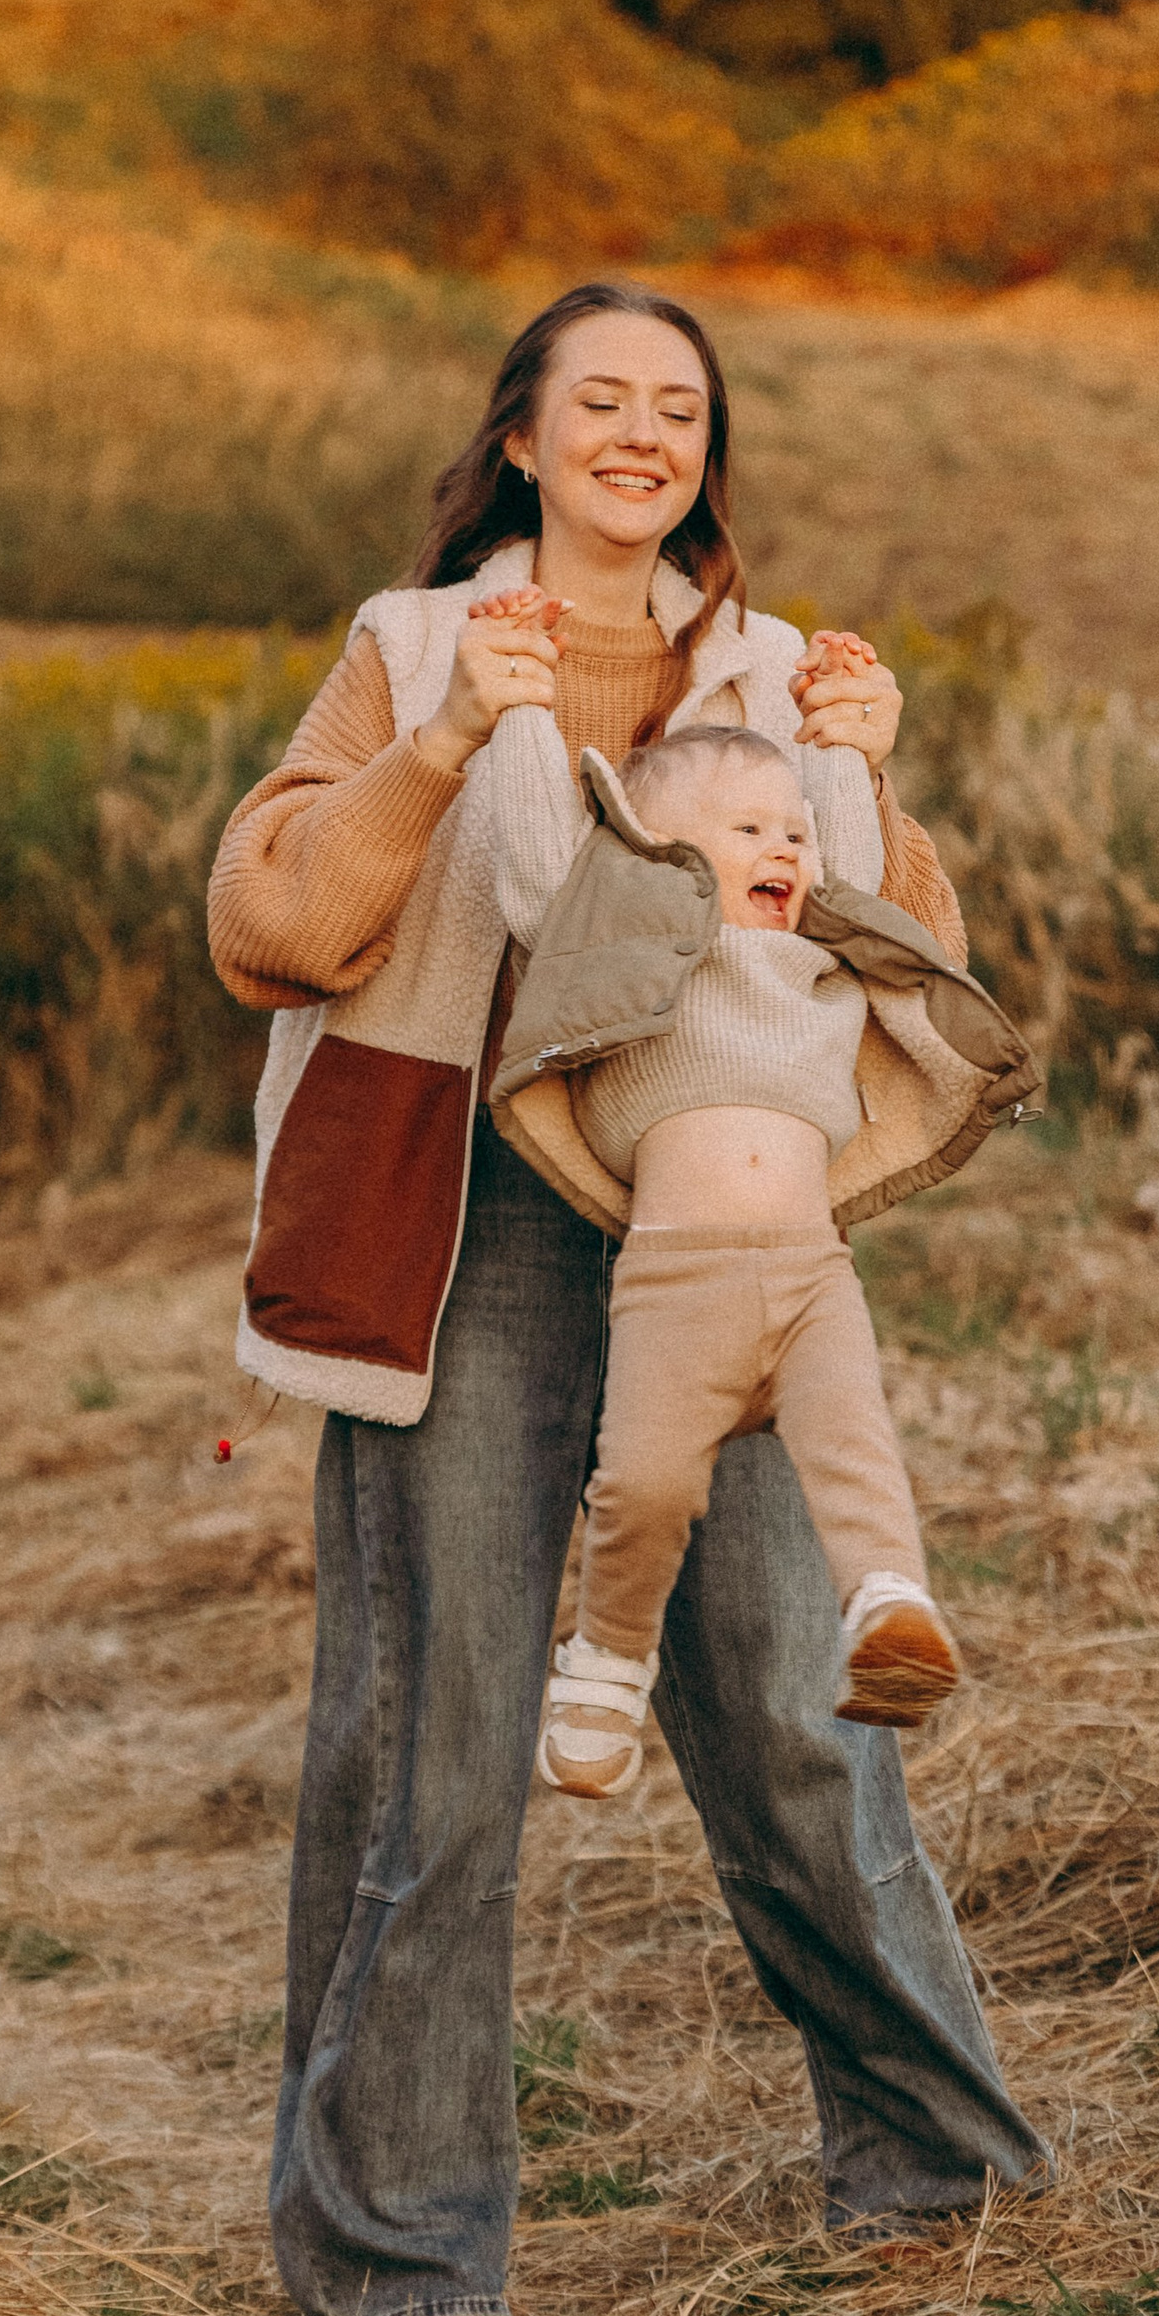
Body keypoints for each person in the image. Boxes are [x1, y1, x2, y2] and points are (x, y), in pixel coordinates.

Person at [207, 279, 1047, 2316]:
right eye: (602, 397)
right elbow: (274, 924)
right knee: (438, 1736)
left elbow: (904, 962)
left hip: (717, 1213)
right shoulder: (412, 647)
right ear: (520, 434)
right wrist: (443, 743)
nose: (642, 432)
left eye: (679, 405)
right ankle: (406, 2269)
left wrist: (870, 785)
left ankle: (941, 2188)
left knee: (795, 1705)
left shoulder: (772, 671)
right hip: (465, 1226)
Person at [467, 646, 985, 1787]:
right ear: (654, 851)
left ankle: (889, 1609)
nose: (784, 848)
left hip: (812, 1273)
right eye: (748, 829)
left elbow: (850, 856)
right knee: (644, 1488)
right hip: (675, 1282)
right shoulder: (627, 951)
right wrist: (518, 714)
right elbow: (536, 865)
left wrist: (837, 743)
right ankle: (608, 1664)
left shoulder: (817, 955)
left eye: (792, 831)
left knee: (853, 1448)